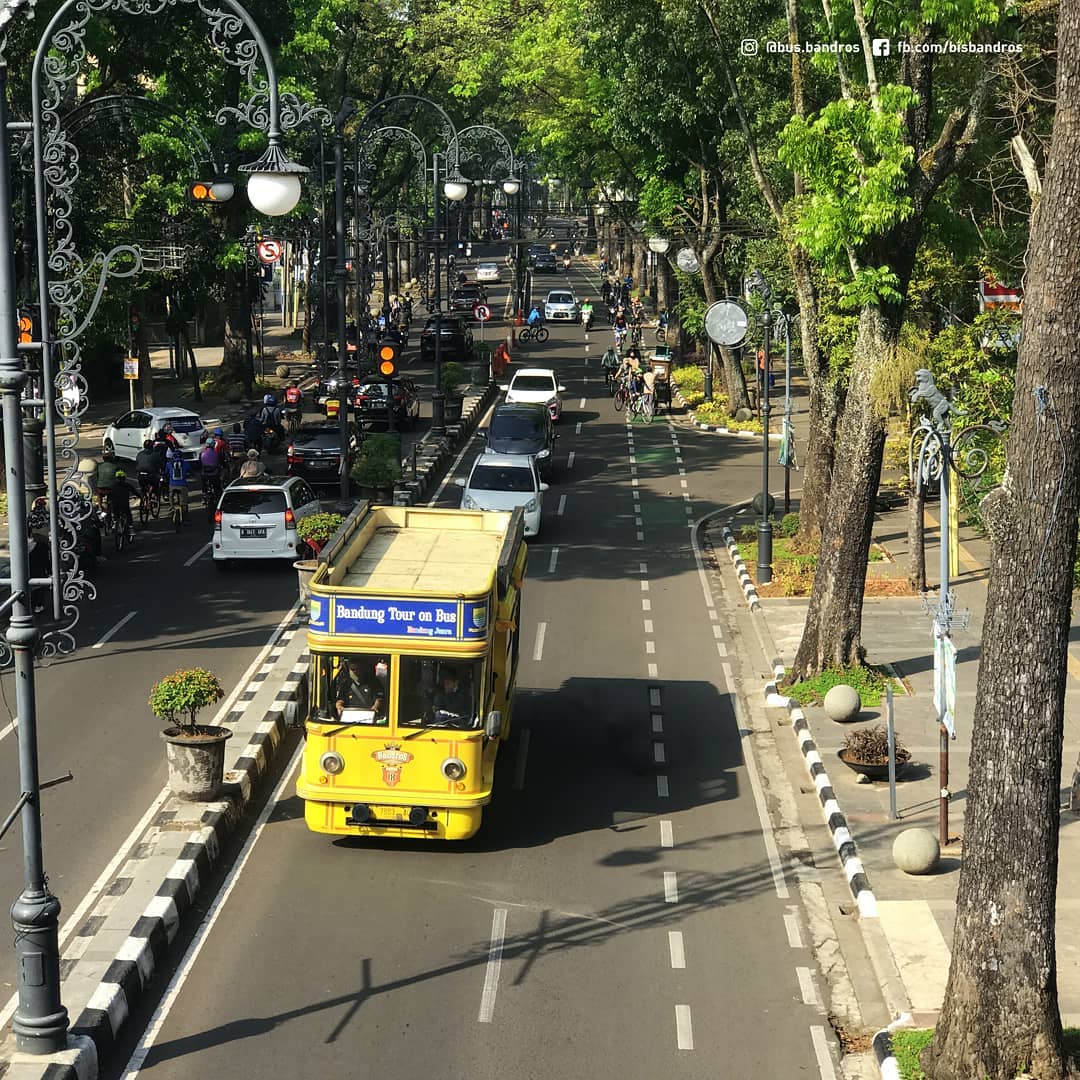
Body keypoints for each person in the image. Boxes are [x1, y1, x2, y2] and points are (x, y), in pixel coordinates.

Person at [333, 657, 386, 721]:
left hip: (368, 718)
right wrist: (339, 706)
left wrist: (375, 707)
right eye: (353, 669)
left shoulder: (373, 683)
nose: (356, 672)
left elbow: (379, 699)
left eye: (358, 669)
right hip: (349, 718)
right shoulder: (346, 684)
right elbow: (340, 699)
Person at [165, 449, 190, 522]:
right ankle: (185, 519)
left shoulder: (169, 464)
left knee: (171, 495)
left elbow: (166, 473)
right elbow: (191, 471)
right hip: (182, 485)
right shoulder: (185, 463)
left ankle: (171, 507)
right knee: (184, 502)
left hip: (172, 485)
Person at [110, 469, 136, 535]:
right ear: (124, 478)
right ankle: (131, 528)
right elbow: (134, 491)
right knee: (128, 515)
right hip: (124, 504)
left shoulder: (112, 486)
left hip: (115, 504)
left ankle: (115, 522)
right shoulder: (127, 485)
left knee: (115, 513)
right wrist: (139, 496)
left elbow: (109, 494)